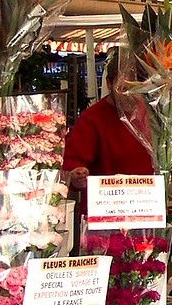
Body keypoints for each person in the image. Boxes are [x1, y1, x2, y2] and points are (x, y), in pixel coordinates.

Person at [62, 49, 153, 213]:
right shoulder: (92, 118)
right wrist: (76, 175)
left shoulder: (151, 114)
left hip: (145, 206)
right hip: (106, 209)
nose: (129, 94)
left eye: (136, 87)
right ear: (109, 83)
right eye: (124, 87)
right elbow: (71, 162)